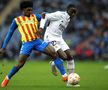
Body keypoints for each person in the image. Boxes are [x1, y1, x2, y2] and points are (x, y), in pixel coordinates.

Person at [0, 0, 64, 88]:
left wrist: (52, 14)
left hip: (37, 41)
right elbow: (9, 34)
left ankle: (65, 76)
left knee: (54, 53)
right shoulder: (17, 20)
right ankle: (7, 78)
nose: (30, 12)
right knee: (20, 64)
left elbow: (46, 16)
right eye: (28, 10)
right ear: (23, 10)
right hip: (27, 44)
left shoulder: (35, 16)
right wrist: (3, 47)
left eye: (31, 10)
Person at [39, 4, 79, 86]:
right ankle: (54, 63)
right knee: (64, 57)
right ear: (67, 10)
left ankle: (70, 83)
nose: (73, 14)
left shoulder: (68, 19)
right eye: (72, 11)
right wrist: (41, 28)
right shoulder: (60, 14)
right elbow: (44, 15)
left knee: (70, 58)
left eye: (75, 12)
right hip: (50, 38)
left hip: (59, 38)